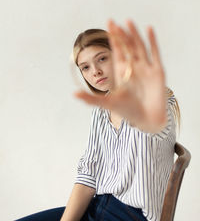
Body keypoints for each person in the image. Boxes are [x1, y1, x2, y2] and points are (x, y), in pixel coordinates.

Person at [15, 19, 180, 221]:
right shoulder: (101, 111)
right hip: (98, 207)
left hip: (132, 217)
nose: (95, 71)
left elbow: (153, 125)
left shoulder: (155, 100)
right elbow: (88, 175)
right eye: (85, 67)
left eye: (102, 59)